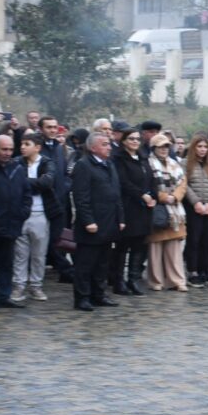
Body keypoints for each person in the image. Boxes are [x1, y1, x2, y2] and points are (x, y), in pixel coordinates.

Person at [71, 132, 125, 311]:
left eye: (109, 144)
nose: (109, 147)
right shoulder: (83, 165)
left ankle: (98, 294)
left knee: (102, 262)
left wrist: (121, 218)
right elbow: (81, 197)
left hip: (109, 222)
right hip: (92, 224)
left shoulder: (109, 164)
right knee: (86, 264)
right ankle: (82, 297)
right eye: (104, 144)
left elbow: (116, 194)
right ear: (93, 147)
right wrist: (88, 221)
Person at [0, 135, 32, 310]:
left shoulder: (17, 168)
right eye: (4, 149)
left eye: (10, 149)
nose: (8, 153)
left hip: (11, 224)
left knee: (6, 262)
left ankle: (3, 296)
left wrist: (23, 212)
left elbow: (26, 193)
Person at [11, 133, 61, 302]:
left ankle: (36, 286)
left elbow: (47, 183)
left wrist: (24, 183)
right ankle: (19, 285)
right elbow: (13, 183)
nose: (22, 147)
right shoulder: (16, 162)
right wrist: (33, 183)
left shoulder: (47, 163)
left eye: (27, 144)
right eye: (22, 144)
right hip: (21, 213)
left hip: (41, 213)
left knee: (39, 253)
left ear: (37, 147)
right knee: (20, 253)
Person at [111, 128, 156, 297]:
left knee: (139, 246)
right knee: (123, 247)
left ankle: (133, 279)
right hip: (129, 207)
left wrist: (153, 195)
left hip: (144, 209)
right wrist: (141, 195)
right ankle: (118, 281)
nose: (135, 142)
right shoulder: (119, 159)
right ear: (123, 141)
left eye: (137, 139)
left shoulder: (143, 158)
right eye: (131, 139)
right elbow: (123, 182)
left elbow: (151, 179)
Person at [147, 134, 188, 291]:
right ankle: (156, 281)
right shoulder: (148, 164)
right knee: (155, 248)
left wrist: (175, 197)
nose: (164, 150)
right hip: (157, 210)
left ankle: (176, 280)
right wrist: (163, 197)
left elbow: (183, 184)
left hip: (175, 213)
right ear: (154, 148)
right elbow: (149, 185)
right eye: (160, 147)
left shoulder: (175, 164)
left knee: (174, 250)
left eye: (166, 146)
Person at [183, 134, 208, 288]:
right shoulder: (185, 164)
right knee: (194, 240)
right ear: (193, 147)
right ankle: (193, 271)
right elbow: (184, 185)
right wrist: (196, 202)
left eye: (205, 147)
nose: (202, 149)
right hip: (194, 208)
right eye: (199, 146)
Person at [38, 115, 73, 283]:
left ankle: (63, 269)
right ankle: (64, 269)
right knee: (46, 238)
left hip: (61, 200)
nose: (52, 130)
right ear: (41, 129)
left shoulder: (59, 148)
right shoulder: (36, 148)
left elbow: (66, 173)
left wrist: (65, 187)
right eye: (48, 127)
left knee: (58, 237)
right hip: (42, 202)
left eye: (54, 127)